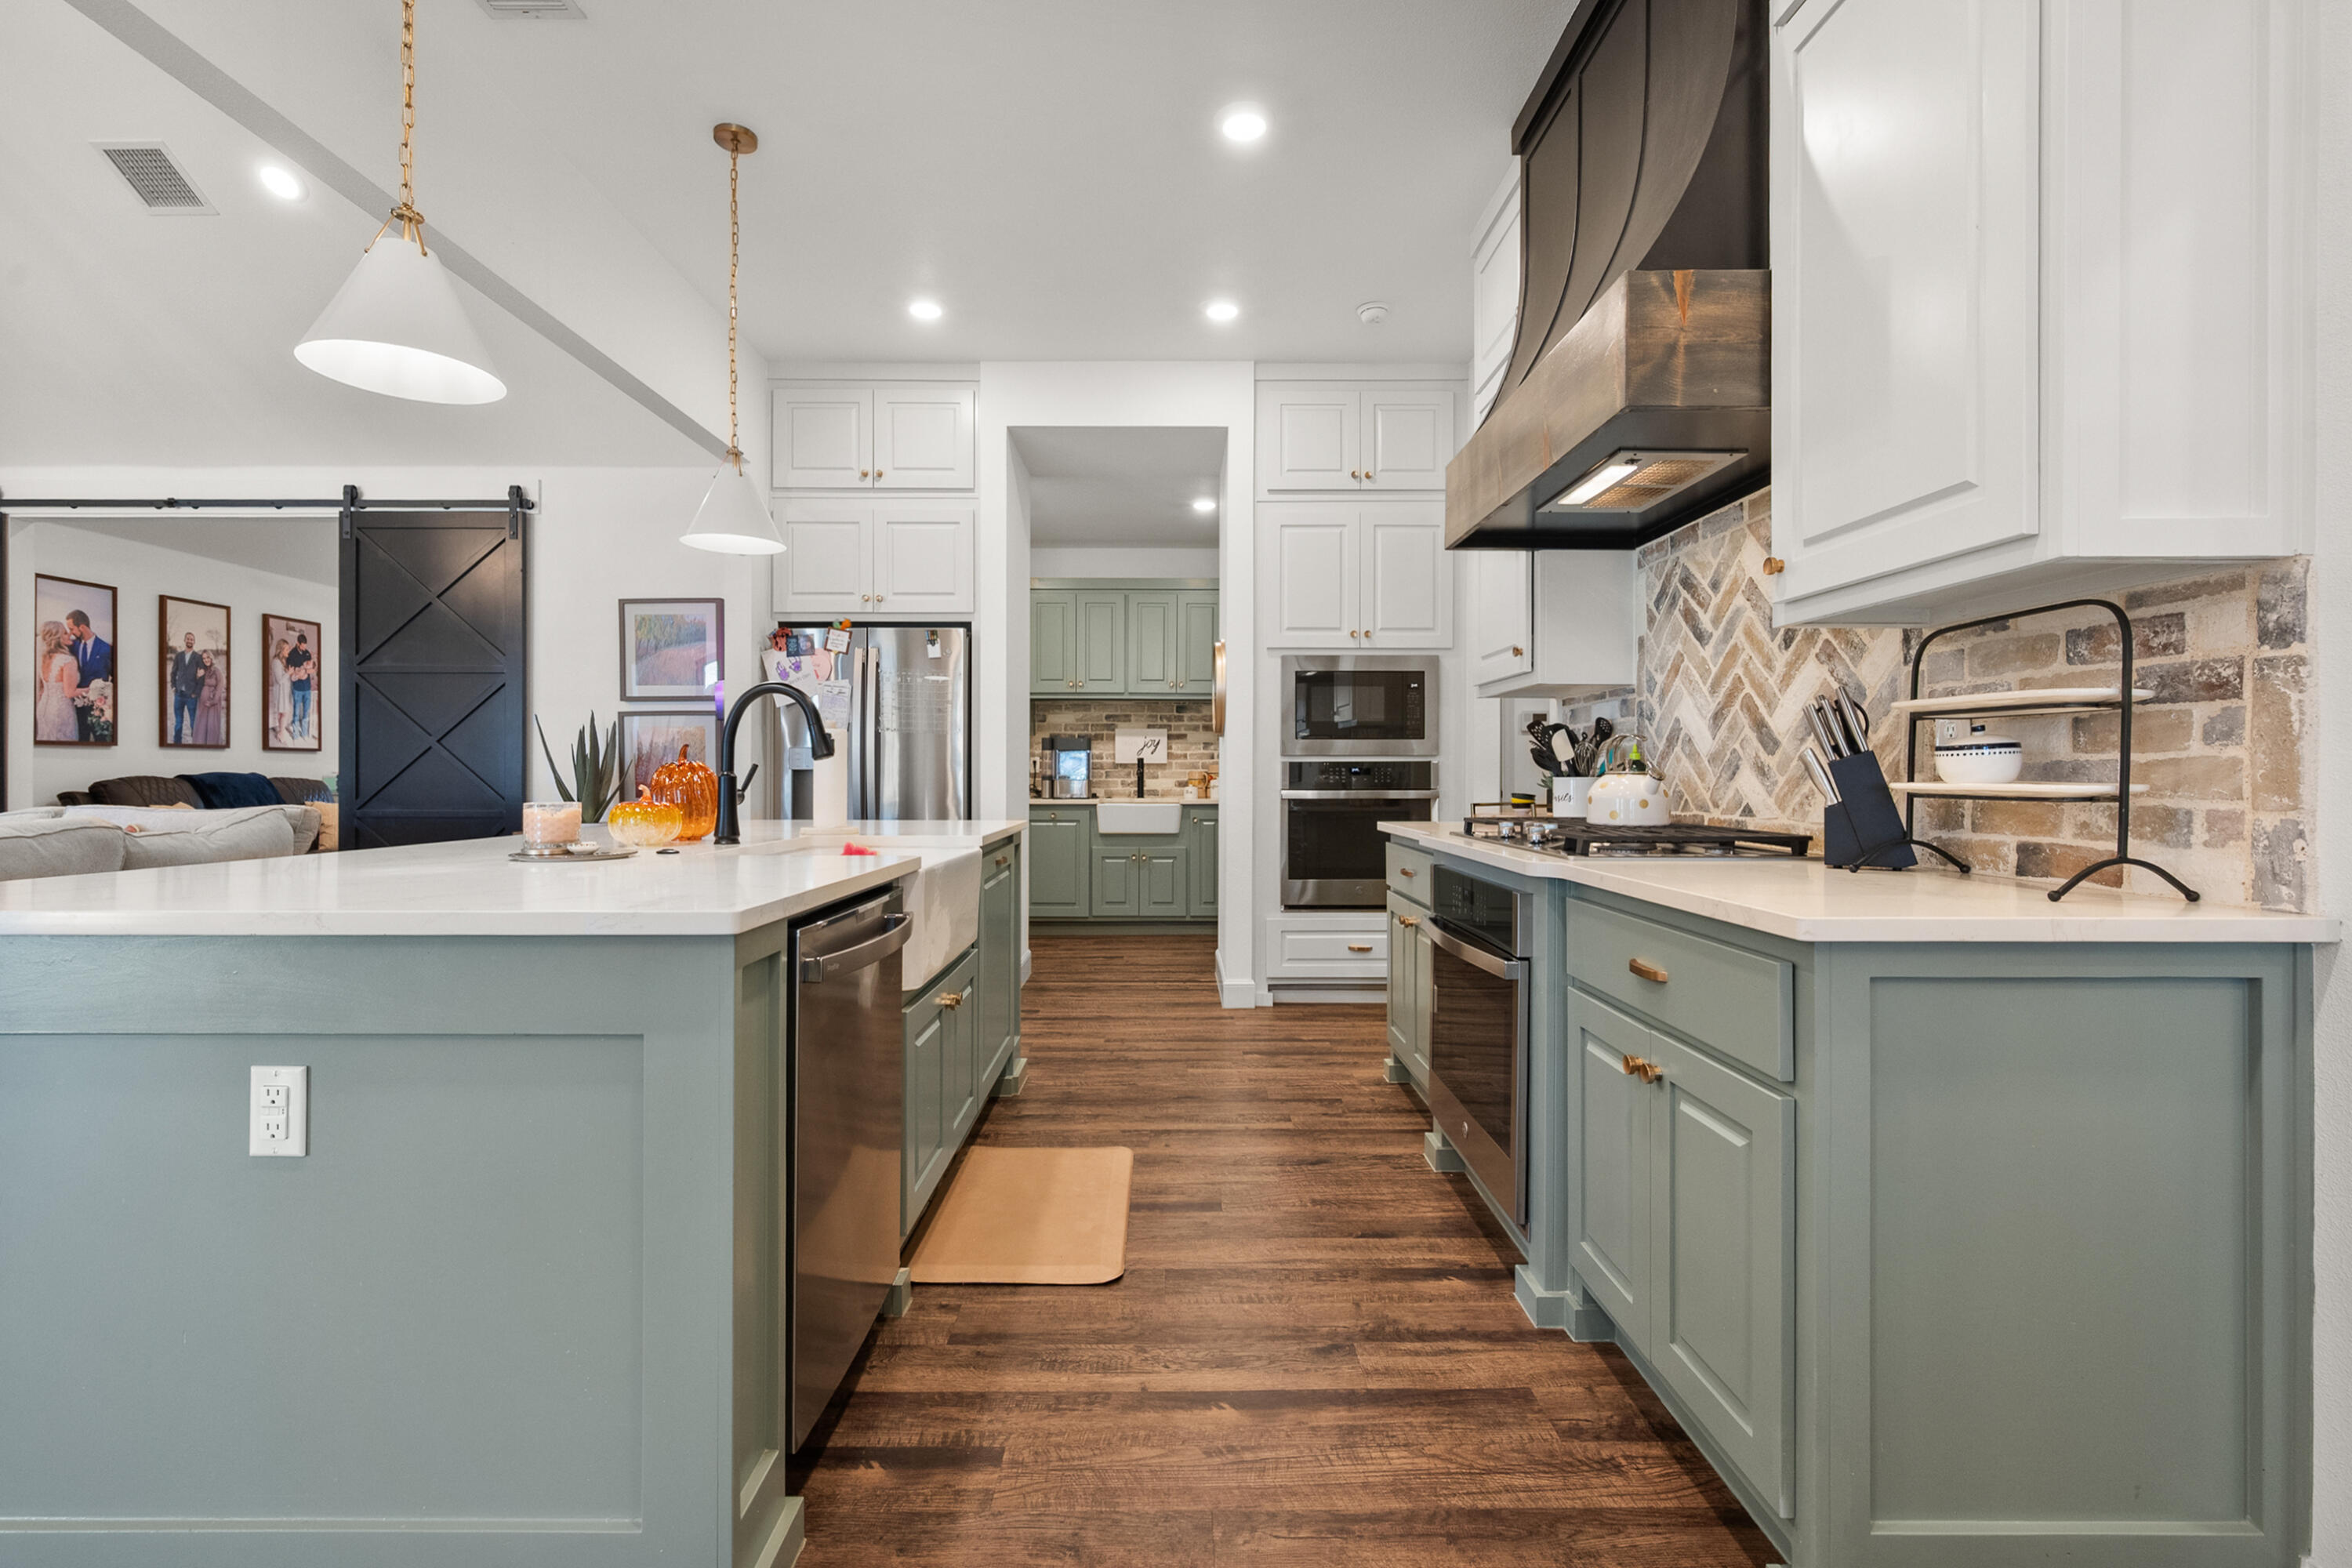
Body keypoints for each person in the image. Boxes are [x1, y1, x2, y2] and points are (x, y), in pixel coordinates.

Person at [65, 609, 110, 742]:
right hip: (76, 705)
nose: (70, 633)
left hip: (99, 707)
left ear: (82, 627)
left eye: (72, 629)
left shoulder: (106, 649)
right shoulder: (72, 646)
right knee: (81, 739)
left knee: (100, 740)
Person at [34, 622, 80, 742]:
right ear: (57, 638)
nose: (69, 635)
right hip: (61, 711)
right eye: (65, 633)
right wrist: (95, 689)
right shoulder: (68, 660)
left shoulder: (44, 658)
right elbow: (70, 693)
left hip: (43, 709)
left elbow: (43, 687)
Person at [168, 630, 205, 746]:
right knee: (178, 722)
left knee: (193, 722)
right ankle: (177, 743)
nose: (190, 641)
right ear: (185, 640)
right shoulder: (179, 656)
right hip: (179, 694)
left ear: (194, 642)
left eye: (192, 639)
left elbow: (201, 678)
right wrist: (173, 686)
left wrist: (196, 693)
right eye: (188, 638)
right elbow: (173, 673)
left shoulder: (198, 657)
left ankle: (195, 743)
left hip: (191, 696)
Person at [286, 632, 315, 741]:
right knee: (297, 712)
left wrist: (305, 671)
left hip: (307, 688)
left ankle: (304, 734)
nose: (304, 648)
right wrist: (300, 673)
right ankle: (296, 735)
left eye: (305, 646)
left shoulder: (307, 653)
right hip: (297, 688)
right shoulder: (291, 654)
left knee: (306, 712)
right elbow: (292, 673)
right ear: (298, 643)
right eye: (303, 645)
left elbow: (312, 669)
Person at [194, 648, 227, 746]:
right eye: (204, 658)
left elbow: (220, 686)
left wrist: (214, 701)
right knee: (202, 725)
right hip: (202, 703)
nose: (206, 660)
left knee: (212, 725)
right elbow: (197, 686)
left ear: (211, 658)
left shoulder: (217, 670)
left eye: (208, 657)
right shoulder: (202, 670)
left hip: (213, 703)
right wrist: (197, 676)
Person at [269, 637, 293, 744]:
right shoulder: (276, 662)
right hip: (280, 693)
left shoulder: (282, 661)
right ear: (281, 650)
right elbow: (279, 680)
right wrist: (289, 673)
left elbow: (285, 678)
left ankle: (281, 731)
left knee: (282, 713)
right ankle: (282, 732)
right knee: (284, 713)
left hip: (284, 692)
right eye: (287, 649)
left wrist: (291, 673)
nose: (289, 651)